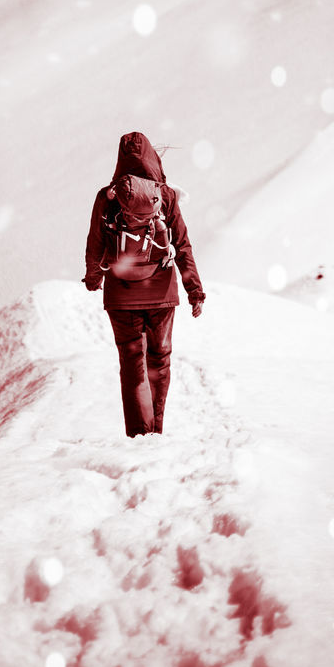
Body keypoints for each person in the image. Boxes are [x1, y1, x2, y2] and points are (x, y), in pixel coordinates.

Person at [83, 131, 205, 438]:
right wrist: (194, 291)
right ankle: (156, 432)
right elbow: (183, 245)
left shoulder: (107, 197)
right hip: (161, 294)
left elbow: (95, 243)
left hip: (121, 297)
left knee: (131, 361)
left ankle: (139, 434)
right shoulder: (165, 196)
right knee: (159, 362)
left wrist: (94, 278)